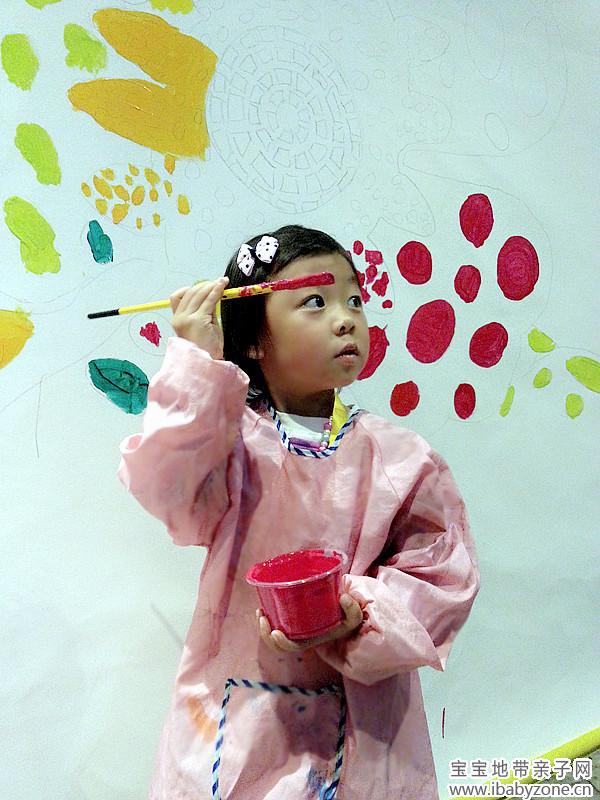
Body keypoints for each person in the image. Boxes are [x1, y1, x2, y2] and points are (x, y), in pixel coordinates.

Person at [117, 224, 481, 800]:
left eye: (353, 299)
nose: (345, 319)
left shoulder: (400, 457)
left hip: (367, 727)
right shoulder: (228, 441)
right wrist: (195, 363)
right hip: (234, 718)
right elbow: (168, 487)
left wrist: (359, 613)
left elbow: (442, 575)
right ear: (254, 340)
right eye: (315, 301)